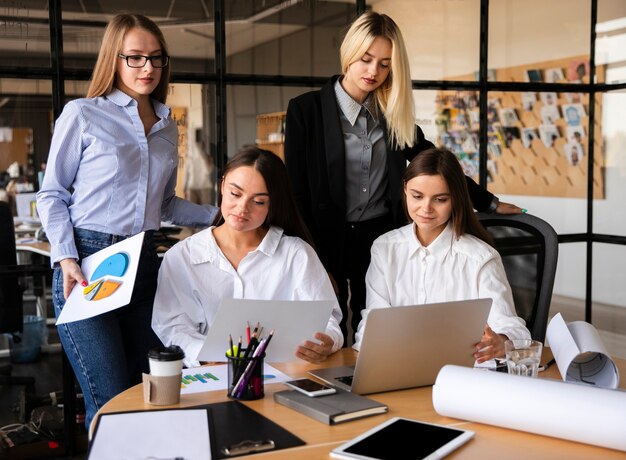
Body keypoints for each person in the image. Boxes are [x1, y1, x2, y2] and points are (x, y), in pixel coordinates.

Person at [284, 11, 522, 344]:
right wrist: (312, 255)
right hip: (325, 238)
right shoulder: (305, 111)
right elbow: (295, 193)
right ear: (349, 54)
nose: (373, 72)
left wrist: (490, 202)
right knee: (327, 328)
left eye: (385, 64)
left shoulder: (394, 114)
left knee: (378, 329)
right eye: (366, 59)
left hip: (378, 234)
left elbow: (437, 165)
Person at [36, 14, 218, 428]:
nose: (148, 68)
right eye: (135, 58)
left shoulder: (168, 127)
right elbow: (52, 194)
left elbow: (166, 205)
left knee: (156, 390)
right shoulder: (82, 114)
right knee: (113, 401)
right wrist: (65, 257)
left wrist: (220, 215)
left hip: (146, 262)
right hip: (87, 266)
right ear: (114, 60)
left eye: (156, 58)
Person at [152, 147, 343, 367]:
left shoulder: (296, 254)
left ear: (273, 204)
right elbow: (171, 325)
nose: (242, 208)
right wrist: (204, 355)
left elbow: (326, 319)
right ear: (223, 185)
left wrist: (327, 341)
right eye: (235, 194)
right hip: (211, 379)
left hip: (283, 378)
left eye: (259, 201)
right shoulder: (182, 257)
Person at [354, 148, 530, 362]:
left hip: (459, 373)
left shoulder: (480, 258)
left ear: (455, 199)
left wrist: (501, 341)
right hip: (398, 365)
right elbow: (373, 323)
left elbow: (512, 328)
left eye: (440, 199)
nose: (425, 208)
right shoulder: (384, 248)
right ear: (405, 191)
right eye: (417, 196)